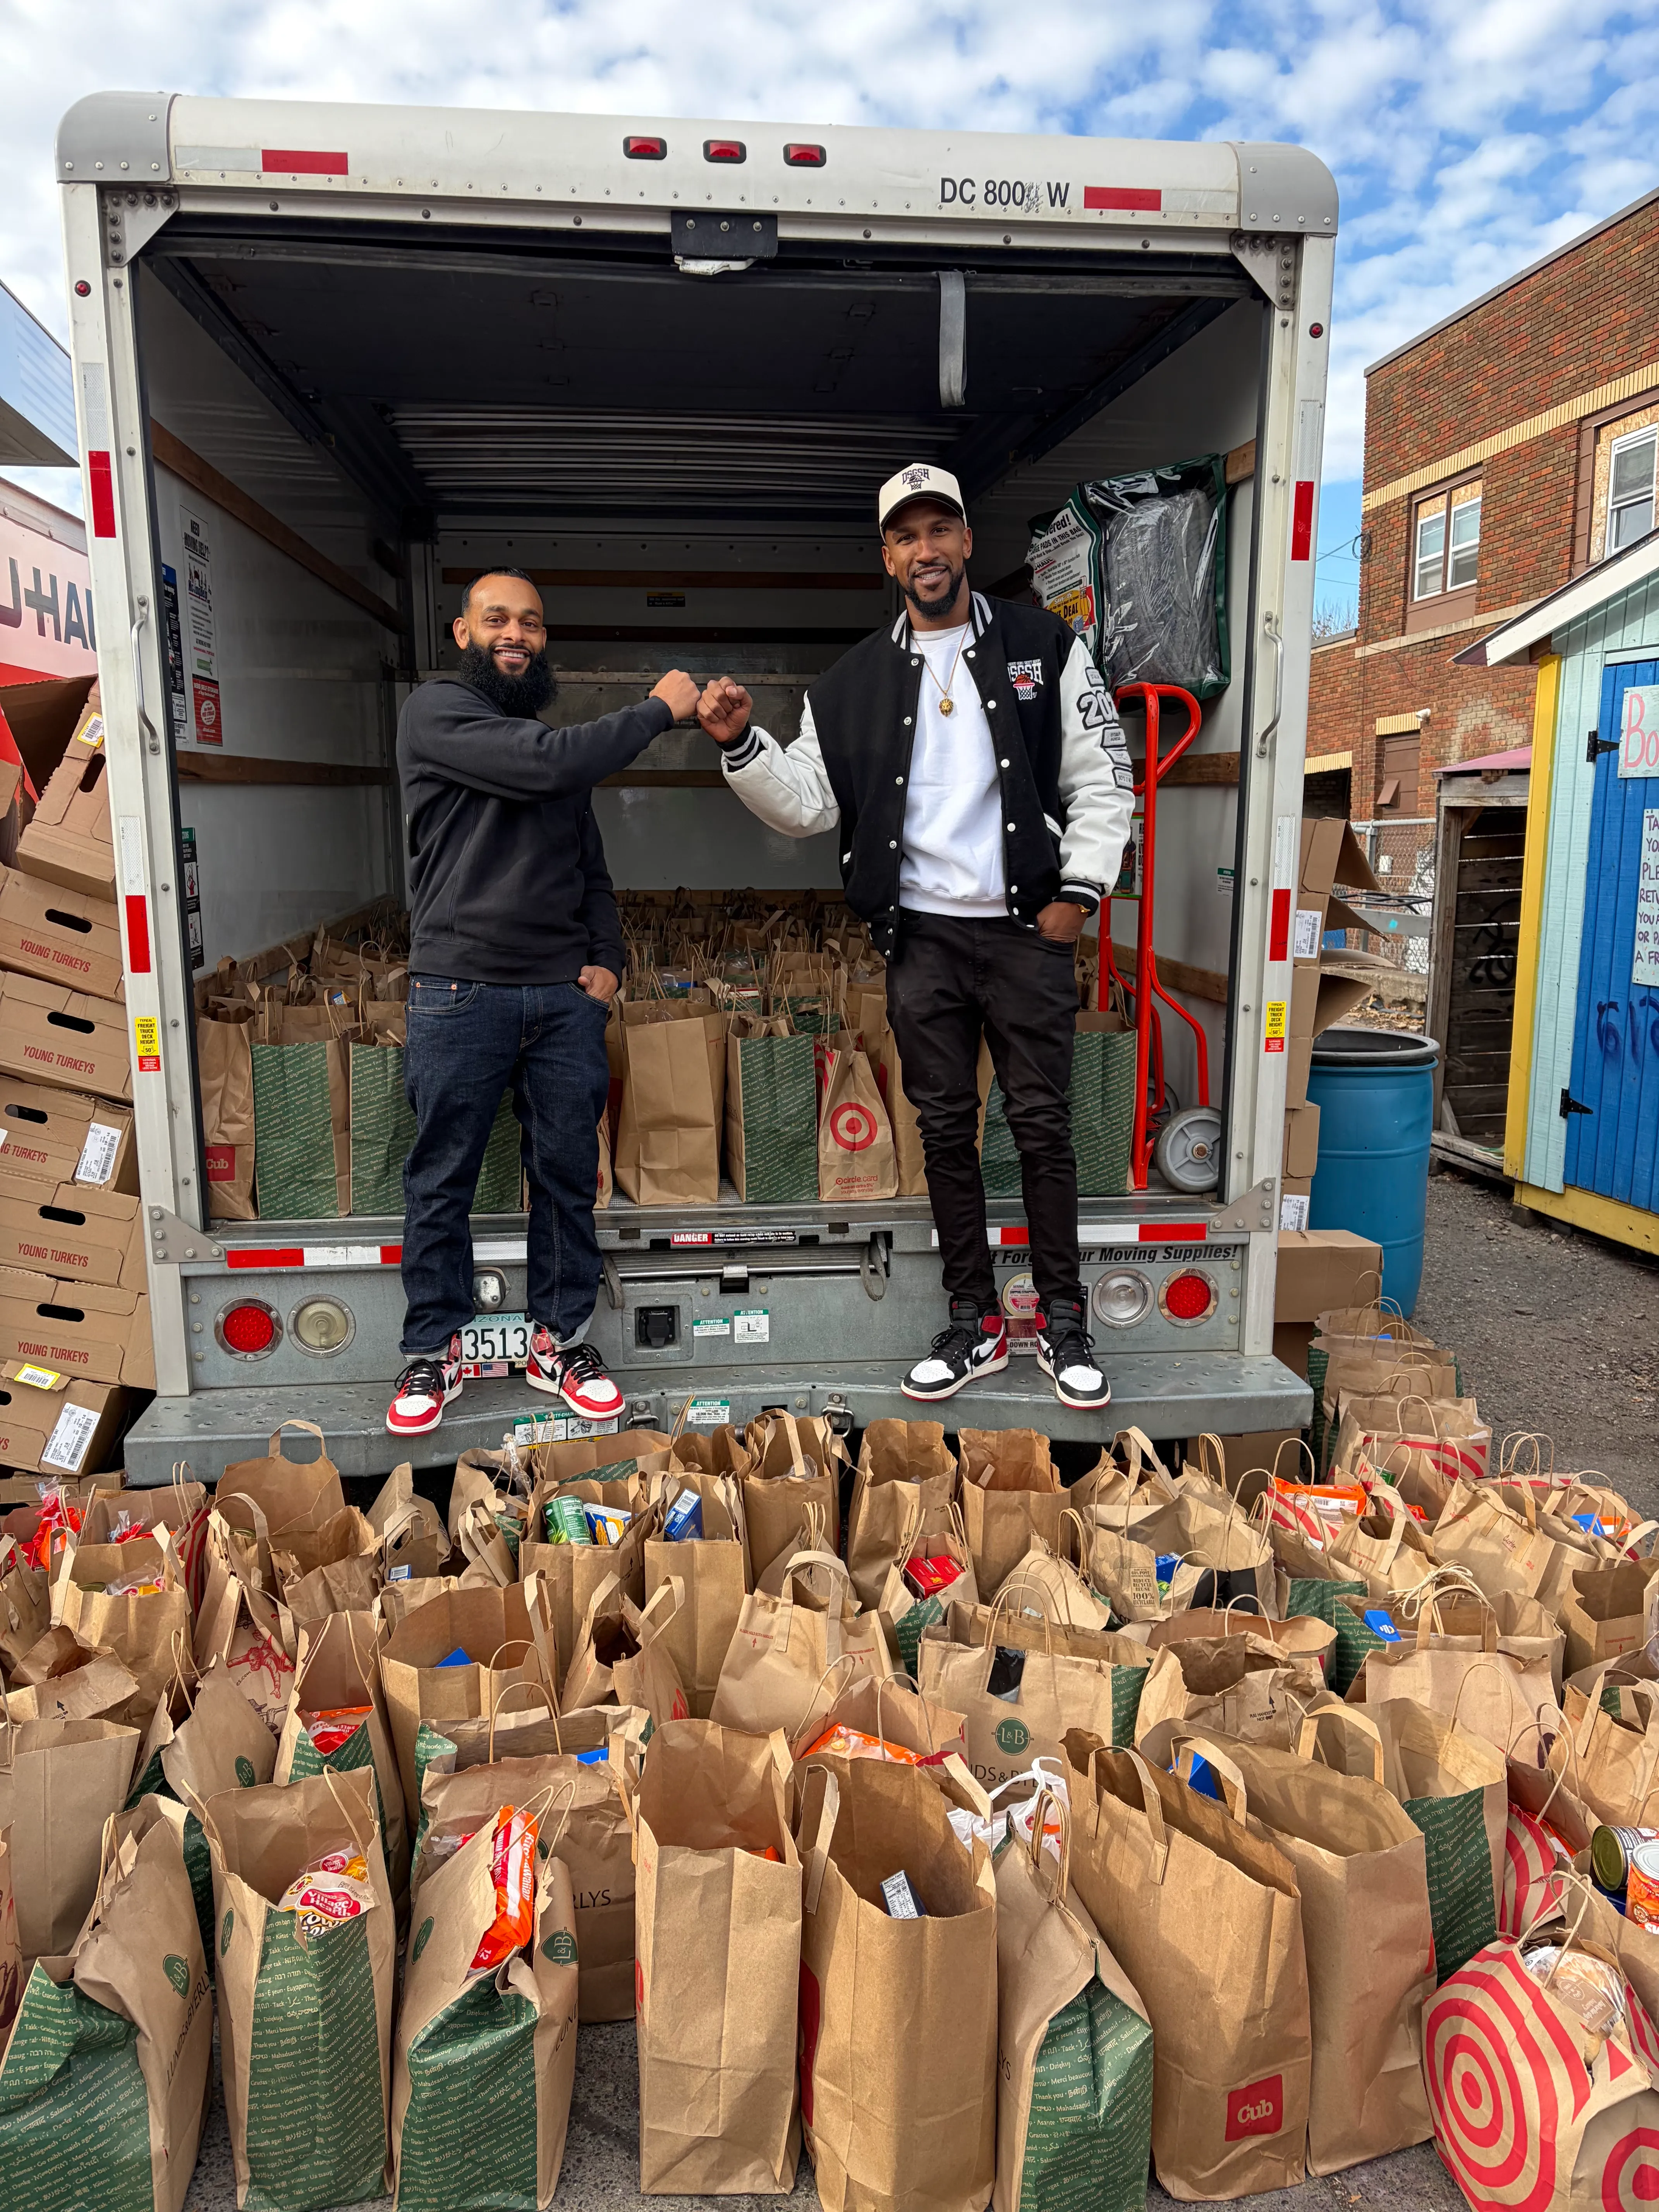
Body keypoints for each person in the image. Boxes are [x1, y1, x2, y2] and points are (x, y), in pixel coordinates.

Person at [697, 464, 1134, 1411]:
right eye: (906, 536)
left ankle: (1064, 1324)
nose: (925, 550)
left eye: (941, 530)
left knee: (1043, 1128)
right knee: (945, 1133)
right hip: (924, 939)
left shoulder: (1045, 645)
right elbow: (810, 805)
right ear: (886, 556)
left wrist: (1080, 894)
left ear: (969, 542)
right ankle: (974, 1320)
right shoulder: (852, 682)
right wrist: (741, 745)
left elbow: (1105, 773)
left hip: (1025, 932)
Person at [387, 567, 699, 1437]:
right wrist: (655, 711)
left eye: (529, 622)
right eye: (497, 620)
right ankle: (434, 1346)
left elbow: (588, 866)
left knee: (565, 1175)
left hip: (560, 1000)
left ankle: (557, 1339)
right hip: (461, 989)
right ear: (462, 634)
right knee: (441, 1175)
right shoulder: (437, 713)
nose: (515, 634)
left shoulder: (551, 751)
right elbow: (545, 764)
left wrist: (607, 960)